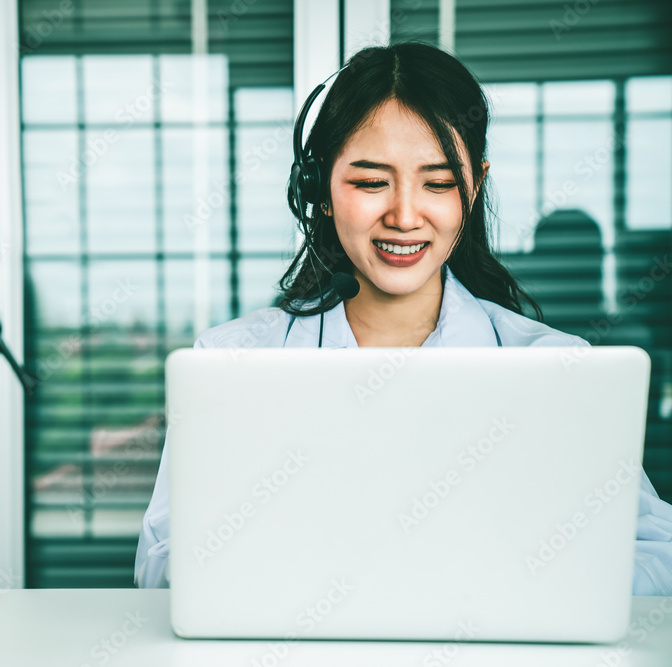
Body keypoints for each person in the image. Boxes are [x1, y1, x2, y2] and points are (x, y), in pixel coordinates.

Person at [134, 42, 672, 593]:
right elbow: (162, 565)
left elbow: (656, 555)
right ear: (317, 190)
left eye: (438, 183)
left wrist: (519, 581)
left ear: (475, 186)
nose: (405, 216)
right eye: (371, 182)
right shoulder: (232, 364)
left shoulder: (556, 369)